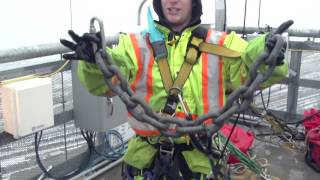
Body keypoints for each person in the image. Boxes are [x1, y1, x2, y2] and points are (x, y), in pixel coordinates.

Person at [61, 0, 289, 179]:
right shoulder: (134, 45)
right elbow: (104, 82)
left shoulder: (220, 44)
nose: (173, 2)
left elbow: (248, 62)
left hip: (200, 157)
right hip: (145, 159)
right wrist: (93, 61)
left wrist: (266, 50)